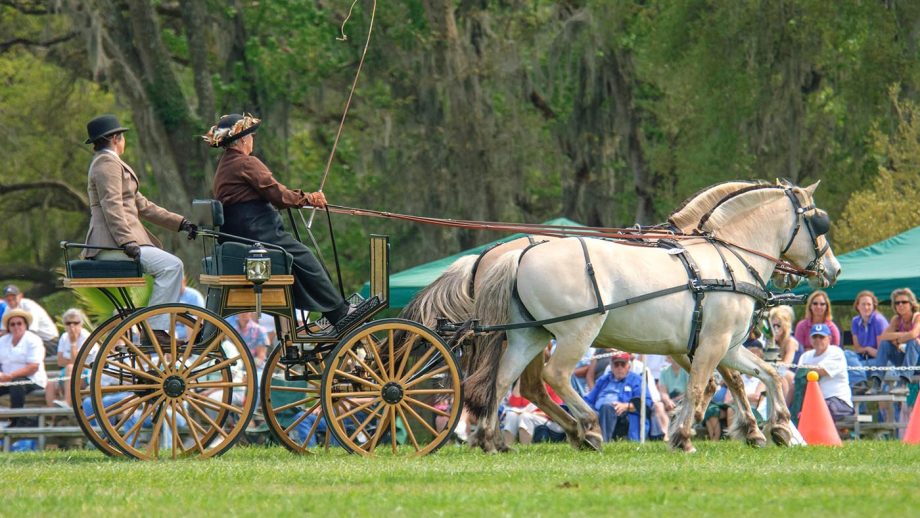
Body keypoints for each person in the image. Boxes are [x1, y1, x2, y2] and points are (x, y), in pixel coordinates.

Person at [205, 113, 361, 330]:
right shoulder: (245, 163)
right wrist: (309, 198)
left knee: (303, 258)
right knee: (307, 260)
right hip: (258, 235)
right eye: (251, 137)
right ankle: (340, 313)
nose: (252, 141)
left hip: (246, 233)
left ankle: (333, 310)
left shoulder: (225, 165)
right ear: (242, 140)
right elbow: (278, 195)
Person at [82, 114, 196, 343]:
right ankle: (155, 331)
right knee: (172, 266)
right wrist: (127, 242)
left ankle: (154, 326)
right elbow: (111, 205)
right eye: (122, 137)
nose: (124, 141)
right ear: (115, 138)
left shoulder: (111, 164)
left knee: (170, 266)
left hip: (119, 243)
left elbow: (143, 205)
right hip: (112, 245)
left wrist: (180, 223)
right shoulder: (107, 164)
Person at [582, 351, 653, 442]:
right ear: (611, 367)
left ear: (628, 366)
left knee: (606, 407)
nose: (619, 367)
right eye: (616, 364)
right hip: (598, 412)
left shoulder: (637, 380)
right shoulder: (604, 380)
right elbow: (589, 399)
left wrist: (626, 406)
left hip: (623, 415)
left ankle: (603, 442)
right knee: (574, 407)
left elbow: (646, 403)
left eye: (623, 364)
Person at [797, 323, 854, 422]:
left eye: (821, 337)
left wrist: (806, 369)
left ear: (829, 339)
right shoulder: (805, 356)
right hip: (813, 401)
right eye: (815, 337)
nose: (818, 340)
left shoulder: (836, 352)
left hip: (838, 401)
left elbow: (822, 371)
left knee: (817, 409)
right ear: (810, 339)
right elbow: (798, 376)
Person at [0, 309, 48, 426]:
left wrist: (10, 376)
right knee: (15, 383)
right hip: (6, 381)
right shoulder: (2, 341)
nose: (16, 326)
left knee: (17, 383)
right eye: (13, 324)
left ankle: (16, 421)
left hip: (33, 380)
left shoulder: (33, 340)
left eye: (19, 323)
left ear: (25, 324)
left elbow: (33, 367)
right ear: (8, 327)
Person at [868, 288, 920, 395]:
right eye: (897, 303)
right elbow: (884, 337)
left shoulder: (917, 317)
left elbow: (913, 334)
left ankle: (903, 383)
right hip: (904, 360)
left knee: (913, 342)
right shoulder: (896, 320)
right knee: (885, 344)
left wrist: (898, 340)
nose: (900, 305)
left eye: (904, 302)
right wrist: (902, 337)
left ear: (911, 304)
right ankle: (877, 382)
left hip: (917, 362)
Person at [1, 284, 58, 354]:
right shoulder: (8, 309)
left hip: (49, 342)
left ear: (20, 296)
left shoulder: (29, 306)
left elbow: (31, 332)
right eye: (8, 300)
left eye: (14, 298)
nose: (11, 302)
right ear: (4, 300)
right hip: (30, 341)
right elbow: (4, 332)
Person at [55, 308, 90, 408]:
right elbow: (60, 361)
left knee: (70, 367)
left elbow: (77, 364)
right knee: (50, 385)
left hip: (87, 375)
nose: (72, 326)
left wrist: (73, 343)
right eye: (68, 323)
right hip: (68, 374)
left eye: (75, 323)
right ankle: (53, 419)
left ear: (81, 324)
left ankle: (67, 402)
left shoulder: (86, 336)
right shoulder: (64, 337)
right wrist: (72, 361)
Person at [768, 305, 799, 405]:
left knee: (785, 376)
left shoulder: (790, 342)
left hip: (791, 378)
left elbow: (786, 364)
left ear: (785, 326)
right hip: (776, 374)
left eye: (778, 326)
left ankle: (782, 409)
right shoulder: (770, 341)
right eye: (773, 326)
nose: (775, 329)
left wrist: (771, 364)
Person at [851, 290, 888, 363]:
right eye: (863, 304)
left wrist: (867, 349)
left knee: (856, 367)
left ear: (873, 306)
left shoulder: (879, 320)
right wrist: (867, 349)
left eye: (869, 304)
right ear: (857, 306)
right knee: (847, 355)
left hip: (881, 360)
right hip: (862, 357)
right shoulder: (855, 321)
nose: (866, 307)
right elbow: (857, 349)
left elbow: (881, 354)